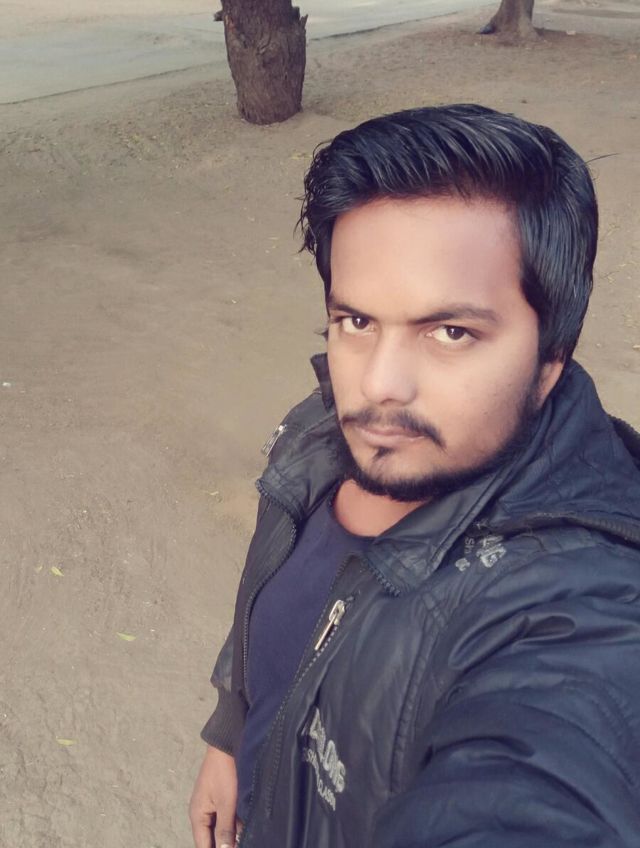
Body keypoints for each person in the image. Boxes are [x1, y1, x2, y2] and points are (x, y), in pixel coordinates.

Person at [189, 104, 640, 848]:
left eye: (451, 332)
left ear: (551, 358)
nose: (378, 385)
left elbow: (552, 763)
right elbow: (274, 606)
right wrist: (230, 735)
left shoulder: (579, 604)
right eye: (356, 322)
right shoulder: (321, 426)